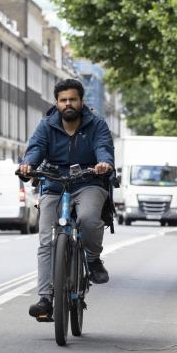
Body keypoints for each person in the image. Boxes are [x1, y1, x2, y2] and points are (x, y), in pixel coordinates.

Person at [18, 79, 115, 319]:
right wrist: (28, 164)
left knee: (88, 218)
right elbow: (36, 148)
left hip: (88, 180)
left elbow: (103, 146)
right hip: (54, 183)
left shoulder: (97, 125)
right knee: (45, 240)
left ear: (82, 102)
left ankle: (92, 260)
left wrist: (104, 164)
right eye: (63, 100)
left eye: (73, 99)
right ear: (57, 103)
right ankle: (45, 299)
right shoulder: (47, 125)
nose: (68, 104)